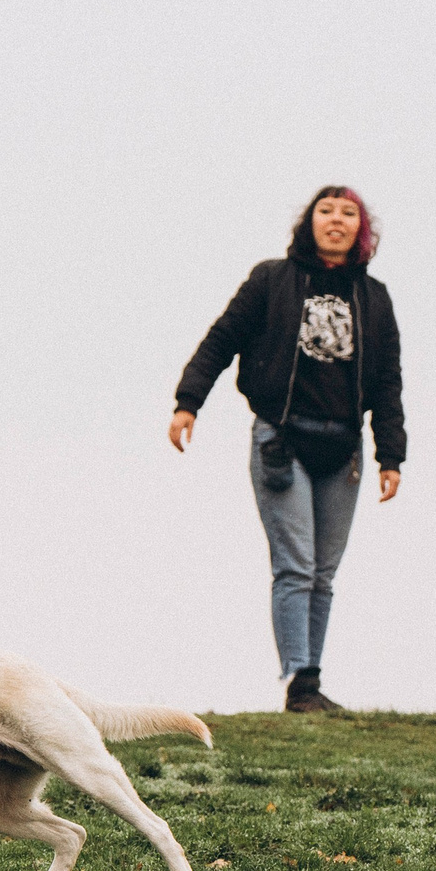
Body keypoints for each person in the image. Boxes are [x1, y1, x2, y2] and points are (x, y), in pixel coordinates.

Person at [169, 186, 404, 712]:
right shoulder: (272, 280)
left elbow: (388, 381)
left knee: (324, 571)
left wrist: (391, 455)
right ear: (310, 222)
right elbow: (222, 338)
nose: (336, 221)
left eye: (348, 214)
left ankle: (311, 681)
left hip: (343, 448)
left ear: (361, 230)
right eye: (326, 212)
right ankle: (299, 682)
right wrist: (189, 401)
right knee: (296, 565)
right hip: (282, 437)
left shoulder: (375, 297)